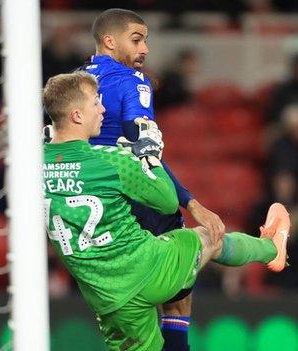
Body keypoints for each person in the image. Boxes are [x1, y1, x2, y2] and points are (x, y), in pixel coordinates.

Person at [42, 71, 290, 351]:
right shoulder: (111, 161)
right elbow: (168, 201)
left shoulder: (33, 164)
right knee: (209, 236)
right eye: (94, 103)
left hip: (107, 297)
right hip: (150, 267)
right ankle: (271, 248)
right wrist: (149, 154)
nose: (102, 109)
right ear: (76, 115)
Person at [80, 9, 225, 350]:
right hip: (138, 196)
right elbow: (143, 149)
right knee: (180, 290)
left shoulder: (74, 83)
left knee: (129, 314)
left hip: (93, 206)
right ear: (109, 41)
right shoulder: (133, 81)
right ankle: (268, 247)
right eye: (136, 39)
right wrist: (192, 203)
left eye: (146, 39)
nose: (145, 48)